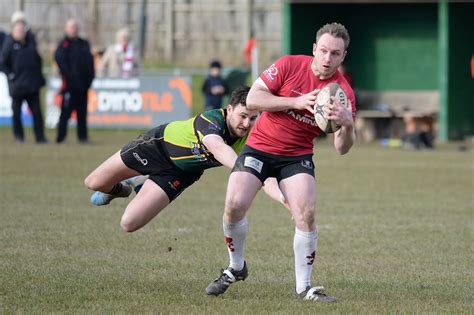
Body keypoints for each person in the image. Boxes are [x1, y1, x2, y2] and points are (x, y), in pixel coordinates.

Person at [205, 22, 356, 302]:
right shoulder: (289, 65)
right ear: (314, 49)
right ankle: (236, 267)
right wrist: (296, 102)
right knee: (234, 205)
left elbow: (342, 149)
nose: (327, 58)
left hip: (297, 156)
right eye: (323, 51)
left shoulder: (341, 93)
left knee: (306, 213)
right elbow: (253, 98)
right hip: (259, 149)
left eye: (335, 53)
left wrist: (347, 125)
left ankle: (304, 288)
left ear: (343, 56)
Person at [84, 86, 286, 233]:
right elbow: (217, 147)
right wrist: (246, 169)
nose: (246, 123)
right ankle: (123, 189)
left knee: (128, 224)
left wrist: (284, 199)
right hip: (155, 147)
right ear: (229, 109)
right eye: (242, 116)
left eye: (252, 118)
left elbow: (265, 176)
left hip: (181, 172)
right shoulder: (211, 120)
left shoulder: (252, 139)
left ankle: (138, 182)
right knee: (93, 183)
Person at [1, 20, 47, 143]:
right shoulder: (9, 44)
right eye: (18, 30)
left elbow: (38, 61)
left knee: (37, 113)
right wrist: (11, 75)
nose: (21, 33)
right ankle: (19, 137)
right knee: (16, 113)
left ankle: (40, 137)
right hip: (17, 86)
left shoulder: (31, 43)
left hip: (32, 85)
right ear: (13, 31)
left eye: (22, 30)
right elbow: (3, 64)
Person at [54, 18, 95, 144]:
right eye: (71, 27)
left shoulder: (84, 43)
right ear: (66, 29)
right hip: (69, 86)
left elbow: (90, 62)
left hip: (83, 86)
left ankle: (82, 137)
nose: (73, 30)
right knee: (65, 113)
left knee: (82, 114)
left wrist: (90, 78)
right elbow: (59, 60)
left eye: (75, 27)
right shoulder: (64, 44)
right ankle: (60, 138)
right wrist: (70, 76)